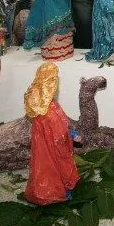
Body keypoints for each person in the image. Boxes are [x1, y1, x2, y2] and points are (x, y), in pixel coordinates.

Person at [23, 61, 80, 206]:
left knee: (53, 166)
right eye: (53, 80)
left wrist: (71, 133)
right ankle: (59, 191)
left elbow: (63, 124)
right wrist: (70, 136)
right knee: (56, 167)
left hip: (52, 145)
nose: (56, 84)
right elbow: (59, 132)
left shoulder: (51, 106)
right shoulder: (46, 113)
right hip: (54, 147)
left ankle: (60, 188)